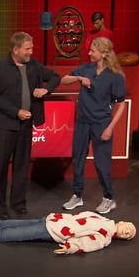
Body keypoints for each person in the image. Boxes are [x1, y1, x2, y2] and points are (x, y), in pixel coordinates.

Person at [0, 32, 61, 219]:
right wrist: (16, 112)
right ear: (16, 49)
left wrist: (46, 89)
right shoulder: (0, 68)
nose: (31, 52)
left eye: (31, 48)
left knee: (21, 166)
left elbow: (55, 77)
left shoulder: (34, 65)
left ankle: (18, 203)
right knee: (0, 167)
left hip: (26, 125)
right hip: (7, 125)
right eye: (27, 48)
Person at [58, 36, 126, 214]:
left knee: (102, 163)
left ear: (103, 53)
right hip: (83, 122)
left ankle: (109, 198)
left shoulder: (115, 76)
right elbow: (63, 79)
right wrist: (79, 78)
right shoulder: (86, 69)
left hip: (101, 123)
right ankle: (77, 195)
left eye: (93, 51)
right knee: (78, 159)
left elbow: (121, 104)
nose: (89, 53)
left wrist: (110, 128)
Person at [0, 212, 136, 255]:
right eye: (129, 228)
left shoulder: (105, 236)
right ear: (122, 222)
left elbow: (89, 243)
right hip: (52, 220)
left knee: (18, 234)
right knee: (14, 223)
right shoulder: (102, 219)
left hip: (54, 231)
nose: (127, 232)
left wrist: (71, 247)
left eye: (128, 235)